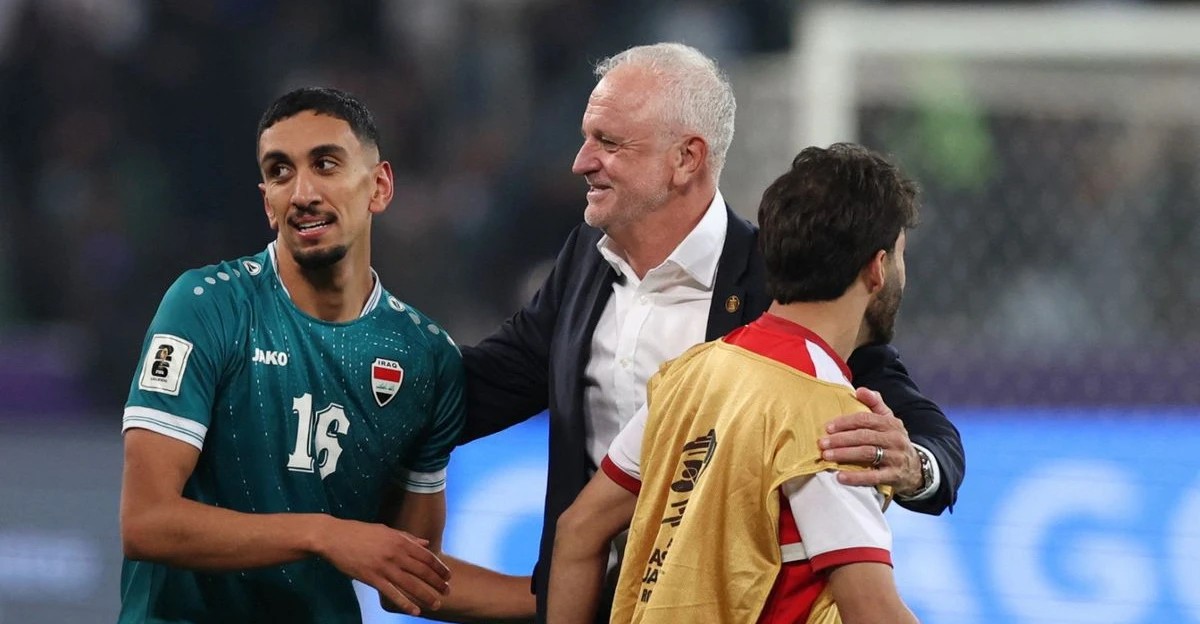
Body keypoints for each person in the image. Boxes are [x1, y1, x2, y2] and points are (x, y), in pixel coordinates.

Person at [460, 42, 963, 621]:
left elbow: (918, 426)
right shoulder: (586, 264)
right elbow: (489, 387)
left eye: (609, 142)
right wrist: (378, 377)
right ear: (880, 268)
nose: (581, 161)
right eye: (587, 138)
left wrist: (917, 466)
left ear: (687, 158)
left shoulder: (785, 288)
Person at [118, 87, 533, 623]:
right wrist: (323, 534)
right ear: (267, 203)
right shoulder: (208, 306)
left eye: (326, 165)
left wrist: (571, 597)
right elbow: (147, 522)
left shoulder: (426, 357)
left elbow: (412, 575)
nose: (303, 193)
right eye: (280, 172)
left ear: (379, 187)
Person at [549, 143, 923, 623]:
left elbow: (578, 531)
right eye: (900, 258)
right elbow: (875, 613)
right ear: (877, 268)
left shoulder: (687, 376)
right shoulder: (834, 421)